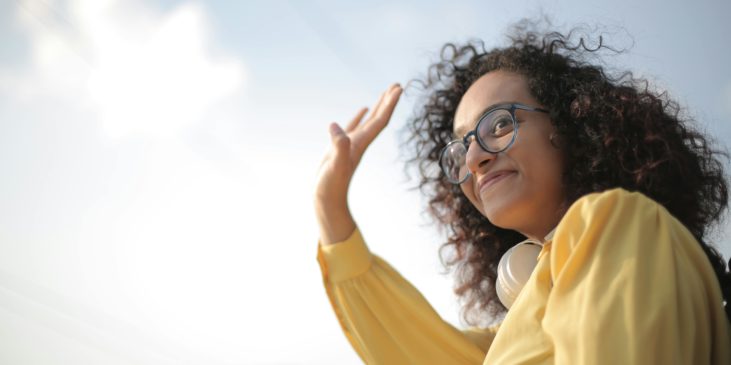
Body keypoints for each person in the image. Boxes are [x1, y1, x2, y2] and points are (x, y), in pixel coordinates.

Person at [314, 22, 731, 364]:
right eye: (460, 148)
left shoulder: (622, 220)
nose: (474, 158)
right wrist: (329, 204)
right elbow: (407, 347)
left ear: (569, 126)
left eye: (498, 124)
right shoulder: (511, 335)